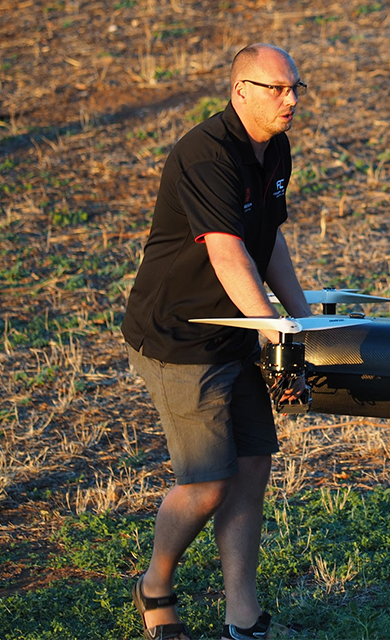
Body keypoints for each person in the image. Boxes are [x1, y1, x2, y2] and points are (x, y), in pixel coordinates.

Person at [122, 43, 311, 640]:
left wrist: (301, 322)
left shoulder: (275, 147)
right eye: (277, 89)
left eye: (296, 88)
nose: (291, 100)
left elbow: (267, 238)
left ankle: (243, 617)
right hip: (181, 336)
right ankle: (154, 586)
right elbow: (227, 251)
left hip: (238, 330)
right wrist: (273, 333)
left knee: (252, 467)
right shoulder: (205, 155)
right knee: (206, 483)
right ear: (240, 91)